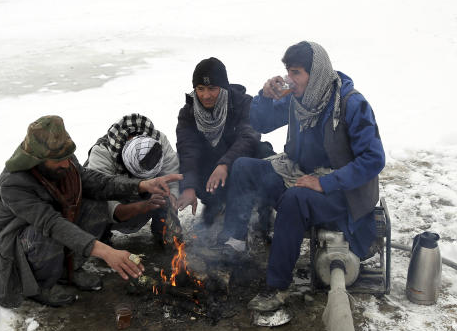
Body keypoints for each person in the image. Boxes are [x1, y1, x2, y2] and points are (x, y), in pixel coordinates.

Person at [218, 41, 384, 312]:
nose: (290, 80)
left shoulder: (351, 104)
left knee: (294, 200)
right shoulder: (299, 99)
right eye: (288, 72)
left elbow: (374, 159)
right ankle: (234, 246)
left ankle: (277, 287)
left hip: (343, 193)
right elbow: (260, 123)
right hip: (301, 175)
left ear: (315, 74)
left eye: (296, 73)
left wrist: (325, 182)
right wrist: (265, 95)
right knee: (246, 167)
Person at [0, 115, 181, 308]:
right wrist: (107, 252)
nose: (67, 165)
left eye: (68, 158)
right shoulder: (13, 183)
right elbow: (51, 223)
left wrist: (142, 185)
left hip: (54, 223)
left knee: (96, 205)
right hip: (18, 242)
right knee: (43, 233)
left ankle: (69, 270)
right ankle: (42, 284)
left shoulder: (63, 159)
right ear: (37, 160)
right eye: (59, 161)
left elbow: (96, 183)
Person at [175, 58, 262, 226]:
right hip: (209, 171)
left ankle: (261, 208)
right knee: (180, 167)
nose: (206, 95)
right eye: (200, 89)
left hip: (236, 165)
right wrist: (189, 187)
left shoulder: (244, 103)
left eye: (212, 88)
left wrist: (225, 164)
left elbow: (249, 137)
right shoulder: (188, 113)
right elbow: (187, 150)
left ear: (223, 87)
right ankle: (214, 203)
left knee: (263, 153)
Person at [85, 113, 180, 242]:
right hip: (116, 201)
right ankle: (103, 245)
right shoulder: (102, 153)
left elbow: (171, 172)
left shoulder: (158, 141)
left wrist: (173, 198)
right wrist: (142, 206)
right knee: (91, 203)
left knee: (167, 195)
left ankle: (163, 235)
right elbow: (106, 203)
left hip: (149, 197)